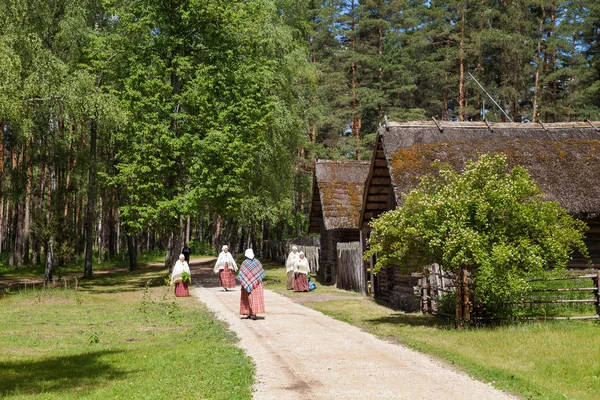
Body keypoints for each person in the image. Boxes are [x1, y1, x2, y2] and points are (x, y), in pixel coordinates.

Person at [237, 248, 265, 320]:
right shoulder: (257, 262)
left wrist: (245, 281)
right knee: (255, 298)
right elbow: (261, 273)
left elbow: (241, 274)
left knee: (247, 298)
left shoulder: (244, 262)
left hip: (246, 285)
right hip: (257, 284)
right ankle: (252, 313)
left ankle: (250, 313)